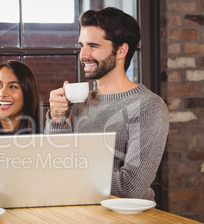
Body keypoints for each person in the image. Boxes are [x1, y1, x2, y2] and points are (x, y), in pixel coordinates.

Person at [45, 7, 169, 200]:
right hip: (81, 214)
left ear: (121, 50)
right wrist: (56, 118)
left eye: (93, 46)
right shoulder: (82, 103)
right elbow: (54, 162)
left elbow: (130, 187)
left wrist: (68, 173)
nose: (83, 55)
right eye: (81, 45)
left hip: (127, 223)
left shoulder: (149, 107)